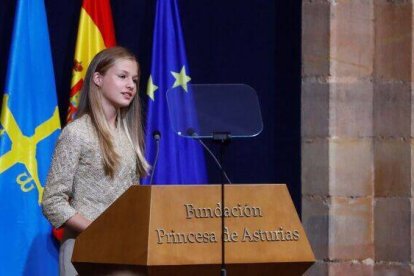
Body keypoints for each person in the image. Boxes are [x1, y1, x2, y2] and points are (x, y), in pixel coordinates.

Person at [42, 46, 149, 276]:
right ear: (98, 79)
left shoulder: (129, 136)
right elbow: (52, 202)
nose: (131, 85)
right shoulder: (77, 133)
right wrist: (98, 230)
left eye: (135, 79)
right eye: (122, 76)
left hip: (125, 250)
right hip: (84, 252)